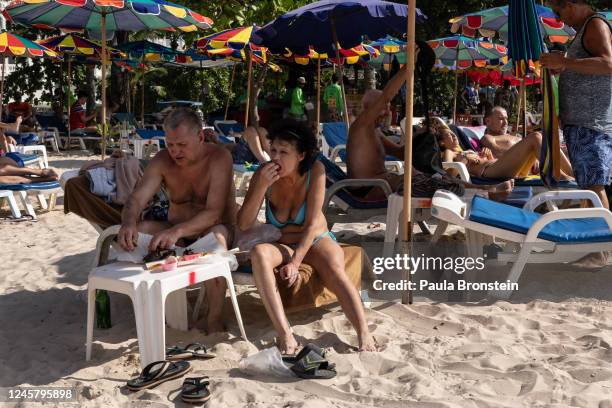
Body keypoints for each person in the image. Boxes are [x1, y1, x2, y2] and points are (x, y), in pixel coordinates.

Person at [237, 120, 376, 354]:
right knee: (260, 253)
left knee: (334, 269)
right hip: (282, 241)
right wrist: (260, 186)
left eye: (284, 152)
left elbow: (312, 225)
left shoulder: (315, 172)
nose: (276, 157)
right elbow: (243, 223)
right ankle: (285, 334)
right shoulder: (264, 175)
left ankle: (364, 333)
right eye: (273, 150)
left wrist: (295, 263)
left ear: (301, 155)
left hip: (316, 239)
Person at [117, 108, 236, 333]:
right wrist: (128, 223)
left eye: (181, 145)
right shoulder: (162, 160)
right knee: (140, 231)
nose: (174, 151)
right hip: (176, 230)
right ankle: (153, 305)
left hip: (213, 228)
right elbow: (136, 198)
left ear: (200, 137)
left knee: (216, 240)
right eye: (170, 145)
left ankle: (214, 318)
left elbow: (214, 212)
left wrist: (177, 232)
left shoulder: (219, 158)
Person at [346, 67, 513, 200]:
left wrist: (418, 135)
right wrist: (409, 66)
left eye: (388, 107)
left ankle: (483, 189)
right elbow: (387, 95)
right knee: (428, 181)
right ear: (370, 108)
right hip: (368, 188)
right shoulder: (361, 126)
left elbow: (401, 153)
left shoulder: (376, 132)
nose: (387, 111)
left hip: (384, 183)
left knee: (437, 176)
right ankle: (485, 194)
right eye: (384, 107)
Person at [540, 0, 612, 210]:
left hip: (590, 124)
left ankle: (601, 239)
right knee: (589, 187)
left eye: (557, 11)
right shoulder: (587, 28)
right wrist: (563, 67)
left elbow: (608, 64)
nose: (558, 18)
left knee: (592, 188)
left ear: (569, 4)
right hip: (585, 124)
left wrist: (564, 62)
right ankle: (595, 235)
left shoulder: (595, 24)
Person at [437, 126, 574, 180]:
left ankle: (572, 173)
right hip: (489, 171)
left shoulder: (467, 149)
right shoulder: (450, 152)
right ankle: (558, 175)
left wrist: (487, 155)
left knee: (540, 136)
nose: (455, 136)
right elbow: (449, 174)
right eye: (450, 135)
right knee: (534, 137)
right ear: (442, 143)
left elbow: (488, 160)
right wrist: (463, 160)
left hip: (498, 167)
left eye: (454, 134)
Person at [205, 125, 271, 164]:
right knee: (250, 130)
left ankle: (273, 158)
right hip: (237, 157)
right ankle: (264, 163)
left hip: (246, 152)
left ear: (216, 132)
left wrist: (238, 134)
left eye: (211, 130)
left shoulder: (224, 137)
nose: (210, 133)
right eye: (207, 133)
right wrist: (216, 141)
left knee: (261, 129)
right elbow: (225, 151)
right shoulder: (212, 145)